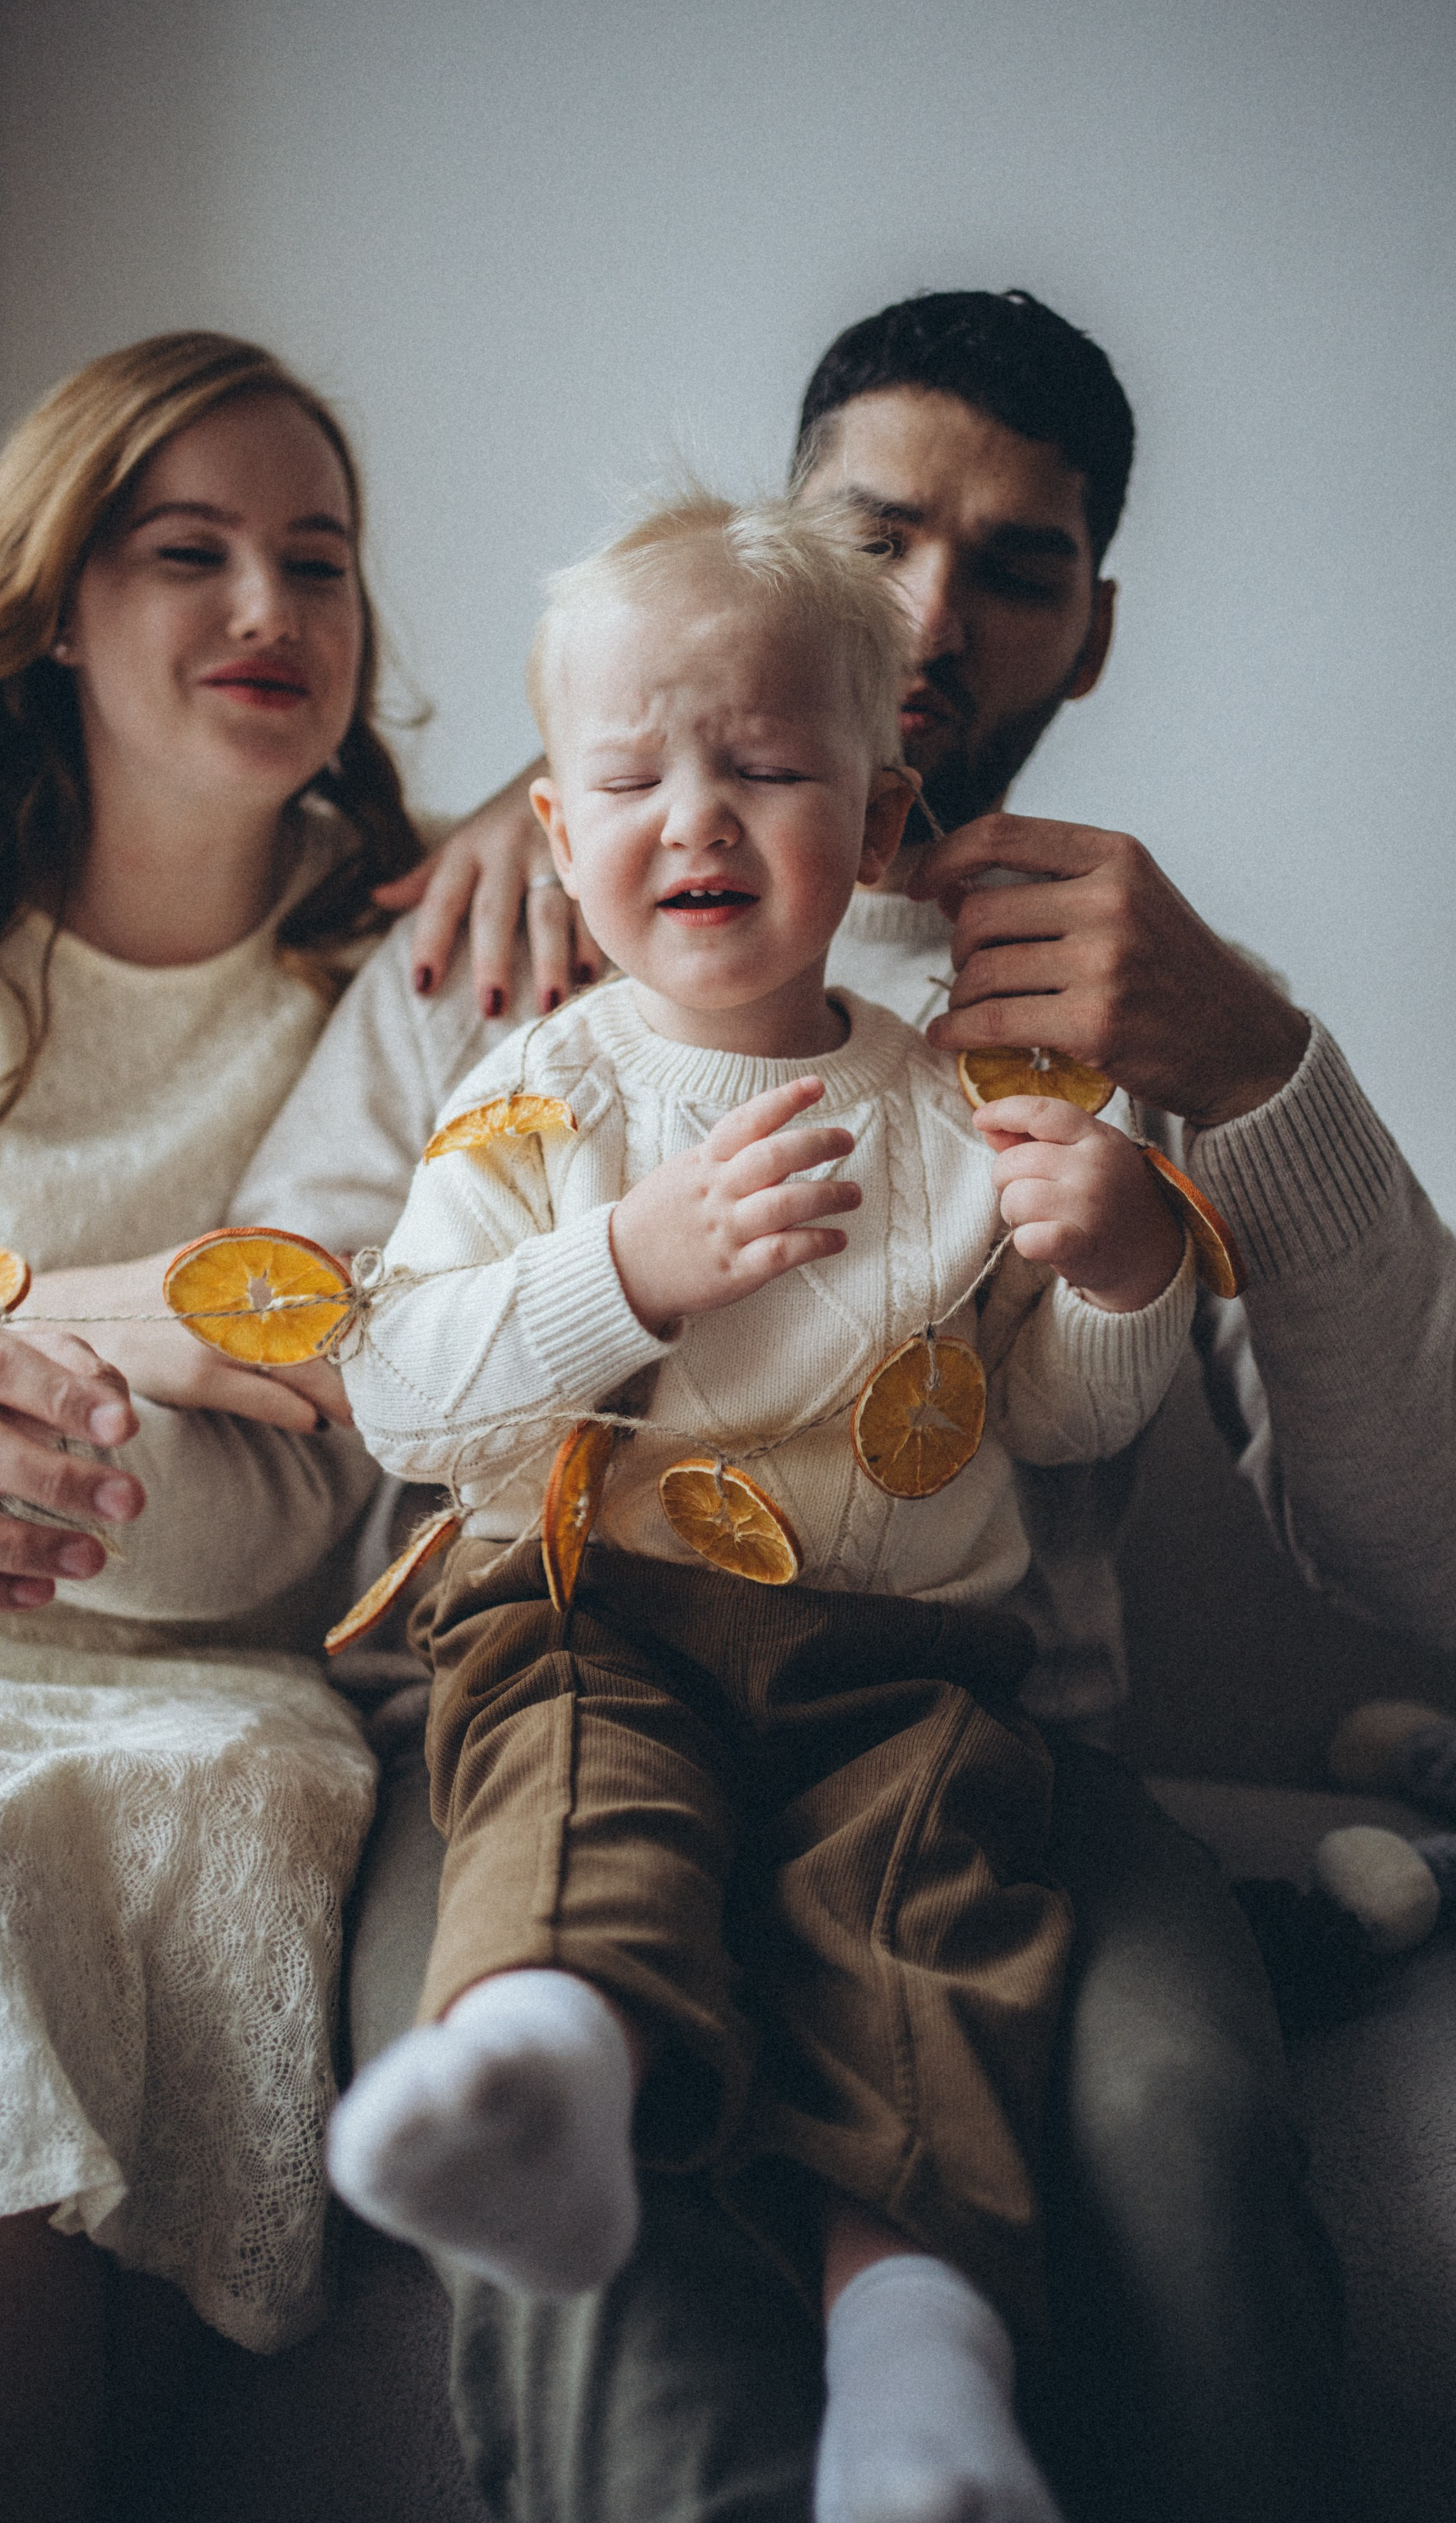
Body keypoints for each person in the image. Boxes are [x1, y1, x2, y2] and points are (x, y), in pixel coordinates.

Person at [234, 288, 1454, 2523]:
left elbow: (1412, 1552)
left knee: (1178, 2133)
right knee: (590, 2189)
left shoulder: (1111, 1002)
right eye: (874, 533)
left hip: (969, 1738)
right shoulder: (522, 951)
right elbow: (313, 1366)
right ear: (771, 540)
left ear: (1093, 632)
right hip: (575, 1690)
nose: (928, 612)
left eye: (1019, 564)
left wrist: (1265, 1079)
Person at [325, 490, 1199, 2523]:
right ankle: (549, 2063)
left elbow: (1058, 1425)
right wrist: (621, 1267)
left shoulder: (971, 1107)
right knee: (564, 1796)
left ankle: (920, 2387)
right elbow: (401, 1397)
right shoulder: (538, 1097)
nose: (697, 821)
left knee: (921, 1953)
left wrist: (1129, 1264)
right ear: (556, 836)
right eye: (633, 777)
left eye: (768, 769)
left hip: (904, 1673)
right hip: (594, 1613)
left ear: (883, 822)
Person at [0, 330, 436, 2521]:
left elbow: (318, 1477)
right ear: (60, 602)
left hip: (215, 1692)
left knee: (181, 1821)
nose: (273, 611)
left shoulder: (397, 1007)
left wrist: (40, 1455)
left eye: (319, 563)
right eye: (193, 553)